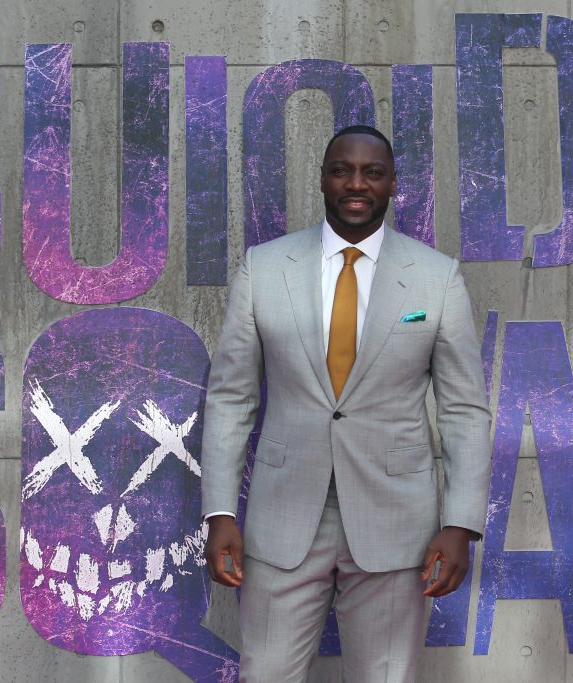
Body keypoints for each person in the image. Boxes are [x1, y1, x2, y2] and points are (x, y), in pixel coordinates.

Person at [201, 125, 490, 682]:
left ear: (392, 184)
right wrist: (220, 512)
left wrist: (460, 524)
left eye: (372, 173)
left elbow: (464, 411)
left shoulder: (438, 278)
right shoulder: (264, 268)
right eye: (342, 171)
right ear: (323, 180)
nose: (356, 184)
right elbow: (231, 397)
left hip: (397, 523)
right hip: (282, 517)